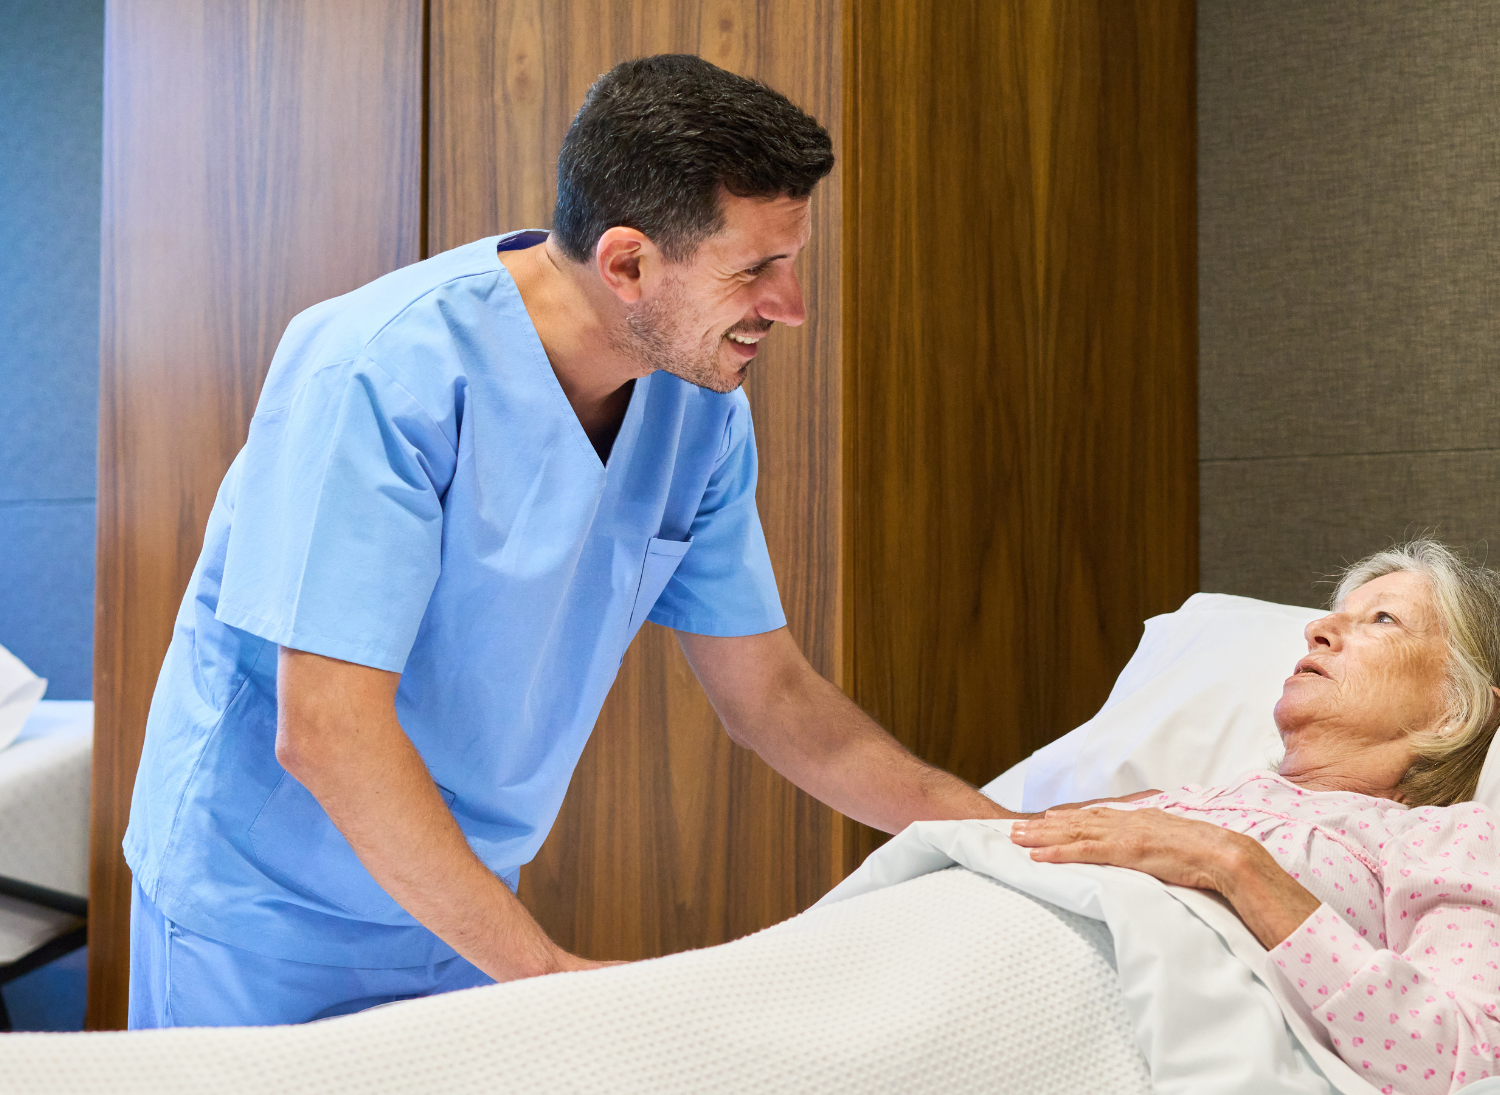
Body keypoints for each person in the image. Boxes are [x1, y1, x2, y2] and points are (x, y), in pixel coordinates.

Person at [122, 54, 1010, 1029]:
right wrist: (543, 977)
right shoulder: (381, 372)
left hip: (462, 898)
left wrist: (1016, 839)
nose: (789, 306)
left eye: (790, 263)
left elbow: (774, 698)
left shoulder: (699, 412)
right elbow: (327, 729)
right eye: (756, 269)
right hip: (260, 917)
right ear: (627, 263)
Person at [1012, 537, 1500, 1095]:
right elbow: (1008, 832)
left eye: (1383, 619)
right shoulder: (1191, 800)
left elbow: (1478, 1068)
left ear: (1457, 706)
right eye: (1334, 617)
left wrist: (1235, 866)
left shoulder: (1444, 838)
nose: (1318, 630)